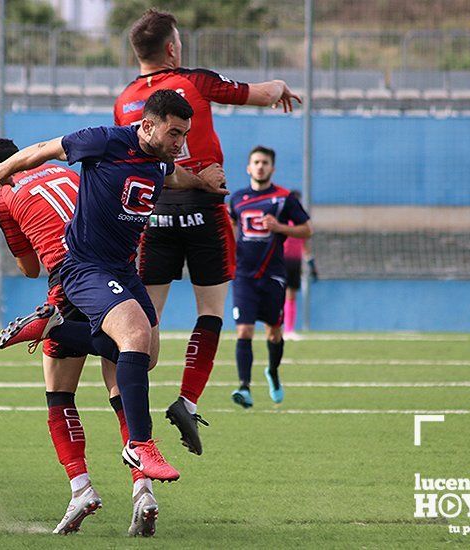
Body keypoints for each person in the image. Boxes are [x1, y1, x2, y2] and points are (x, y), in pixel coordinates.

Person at [0, 90, 225, 488]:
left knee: (146, 353)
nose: (180, 143)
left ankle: (55, 329)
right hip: (85, 267)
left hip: (122, 269)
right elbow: (46, 148)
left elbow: (175, 176)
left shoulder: (160, 160)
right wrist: (1, 173)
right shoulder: (105, 141)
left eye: (184, 135)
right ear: (147, 125)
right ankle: (140, 444)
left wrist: (201, 183)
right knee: (133, 332)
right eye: (174, 133)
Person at [113, 8, 302, 455]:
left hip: (154, 212)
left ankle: (130, 413)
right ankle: (186, 400)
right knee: (211, 312)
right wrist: (280, 89)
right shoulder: (192, 81)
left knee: (144, 320)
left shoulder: (123, 101)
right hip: (204, 208)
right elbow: (259, 93)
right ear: (172, 48)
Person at [0, 138, 156, 536]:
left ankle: (81, 488)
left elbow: (28, 268)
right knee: (125, 379)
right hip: (115, 270)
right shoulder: (63, 170)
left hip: (70, 280)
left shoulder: (3, 195)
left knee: (59, 393)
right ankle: (143, 490)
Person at [228, 146, 312, 408]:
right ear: (248, 167)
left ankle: (273, 371)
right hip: (244, 275)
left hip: (273, 275)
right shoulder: (238, 198)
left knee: (274, 333)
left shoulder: (284, 198)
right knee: (244, 330)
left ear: (272, 168)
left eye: (265, 162)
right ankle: (244, 387)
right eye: (256, 162)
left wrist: (280, 227)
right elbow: (231, 227)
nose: (260, 166)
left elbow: (307, 229)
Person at [282, 190, 318, 339]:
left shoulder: (302, 225)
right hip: (280, 261)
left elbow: (305, 246)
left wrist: (312, 265)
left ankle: (289, 330)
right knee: (277, 296)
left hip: (294, 263)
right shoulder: (282, 221)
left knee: (291, 295)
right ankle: (277, 327)